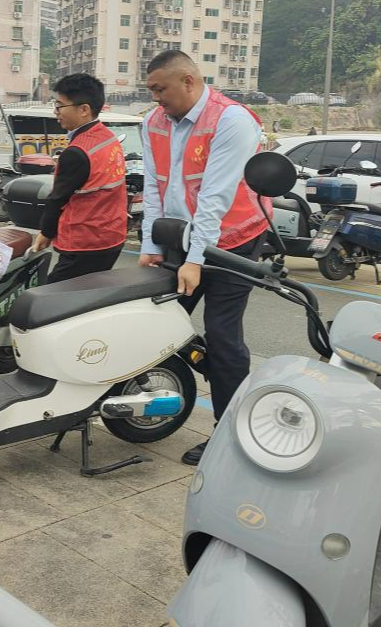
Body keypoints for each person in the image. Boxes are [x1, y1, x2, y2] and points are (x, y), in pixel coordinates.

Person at [138, 50, 270, 466]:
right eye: (152, 90)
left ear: (189, 82)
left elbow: (215, 197)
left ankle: (229, 434)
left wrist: (197, 259)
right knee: (159, 324)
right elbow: (155, 189)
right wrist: (150, 248)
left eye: (161, 89)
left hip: (234, 243)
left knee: (223, 334)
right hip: (180, 240)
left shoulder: (232, 120)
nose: (156, 98)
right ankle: (189, 390)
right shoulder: (154, 122)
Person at [31, 73, 128, 283]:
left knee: (52, 298)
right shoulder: (108, 138)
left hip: (86, 241)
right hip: (112, 235)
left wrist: (45, 233)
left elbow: (58, 198)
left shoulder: (77, 151)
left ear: (84, 109)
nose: (56, 112)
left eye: (60, 106)